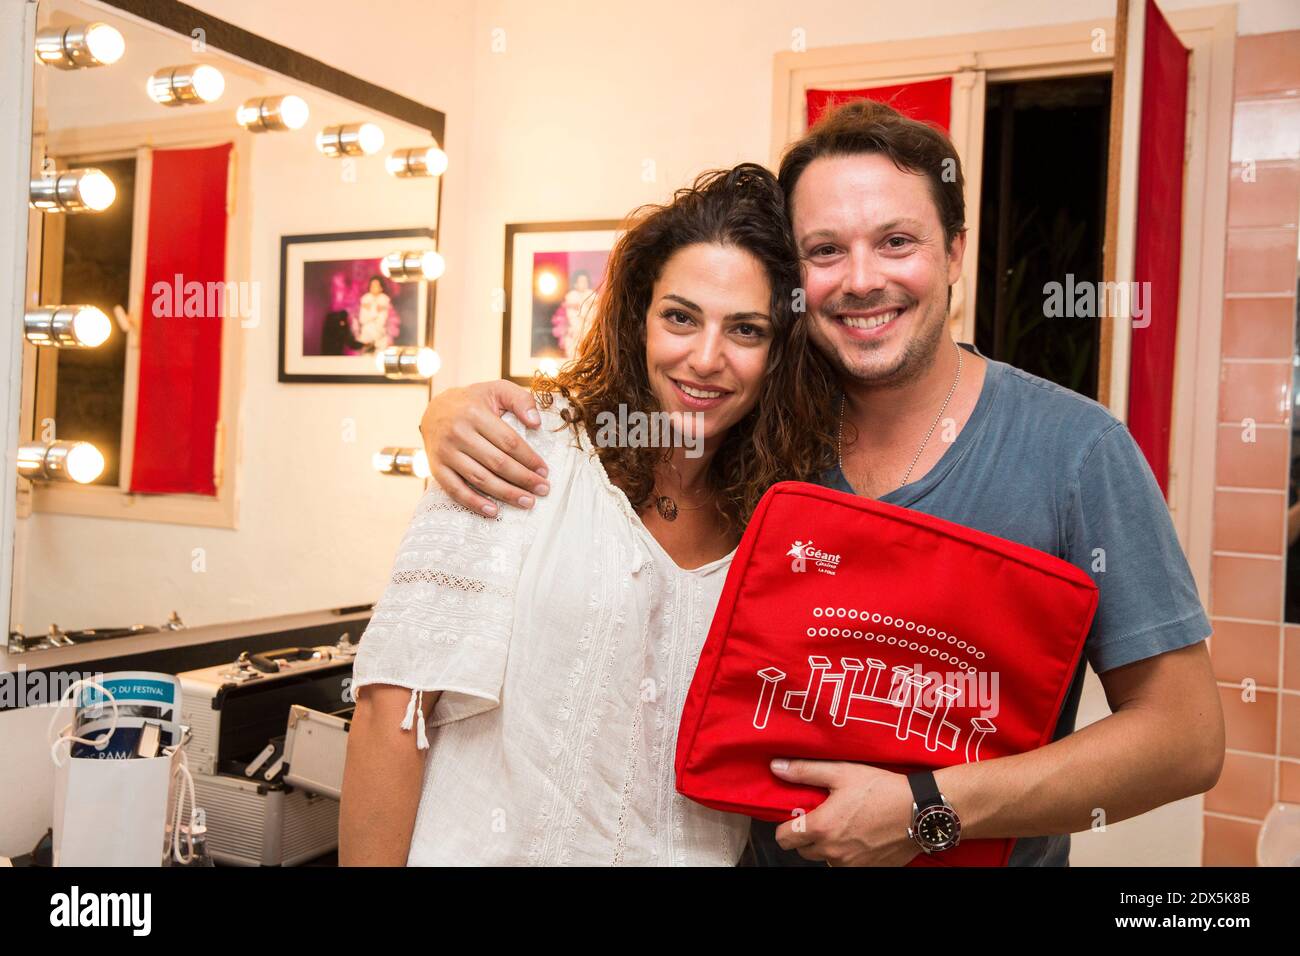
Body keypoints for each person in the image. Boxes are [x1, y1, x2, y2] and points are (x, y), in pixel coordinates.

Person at [417, 99, 1224, 867]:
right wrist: (455, 410)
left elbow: (1185, 738)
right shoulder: (760, 434)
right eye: (826, 250)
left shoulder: (1076, 451)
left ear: (955, 253)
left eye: (897, 241)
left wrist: (927, 809)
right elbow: (625, 429)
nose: (861, 279)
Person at [339, 163, 837, 865]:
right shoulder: (518, 449)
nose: (705, 358)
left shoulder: (782, 526)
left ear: (781, 352)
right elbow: (394, 709)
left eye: (747, 330)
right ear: (639, 317)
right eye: (680, 317)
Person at [355, 275, 393, 351]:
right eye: (371, 285)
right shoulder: (365, 299)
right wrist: (375, 309)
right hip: (366, 336)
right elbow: (363, 319)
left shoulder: (384, 300)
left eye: (376, 285)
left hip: (380, 338)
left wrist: (372, 309)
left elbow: (382, 320)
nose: (373, 287)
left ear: (381, 288)